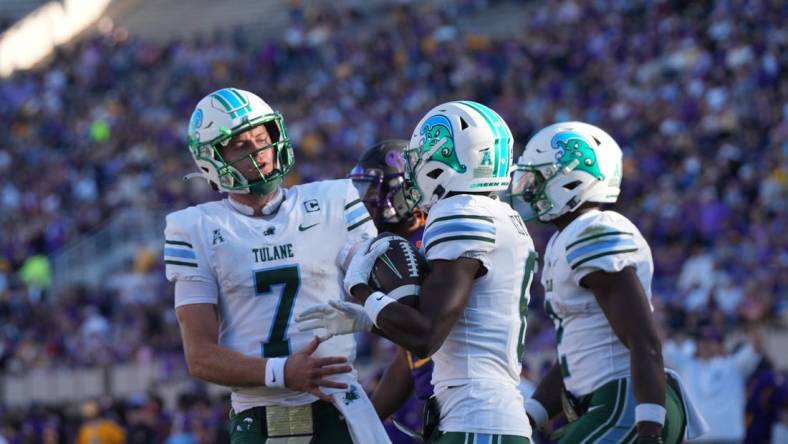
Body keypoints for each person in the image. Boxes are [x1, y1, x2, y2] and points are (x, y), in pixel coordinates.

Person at [298, 101, 537, 443]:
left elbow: (425, 337)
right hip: (482, 414)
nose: (415, 166)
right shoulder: (499, 214)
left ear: (448, 158)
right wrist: (370, 318)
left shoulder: (457, 215)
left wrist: (361, 292)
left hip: (475, 417)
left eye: (423, 153)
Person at [166, 87, 390, 443]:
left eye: (262, 137)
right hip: (259, 417)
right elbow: (200, 357)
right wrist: (281, 372)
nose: (259, 151)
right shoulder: (195, 228)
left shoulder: (334, 200)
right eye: (241, 145)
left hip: (341, 406)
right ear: (211, 159)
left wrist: (370, 314)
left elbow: (390, 293)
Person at [512, 121, 706, 443]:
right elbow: (577, 358)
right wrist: (530, 415)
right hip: (607, 403)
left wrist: (649, 430)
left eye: (539, 178)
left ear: (571, 179)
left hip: (627, 402)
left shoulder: (595, 231)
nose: (529, 190)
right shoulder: (567, 238)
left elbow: (644, 339)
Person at [347, 139, 433, 443]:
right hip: (434, 398)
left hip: (464, 396)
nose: (365, 201)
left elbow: (423, 335)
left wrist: (366, 303)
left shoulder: (434, 237)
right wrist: (364, 426)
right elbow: (406, 357)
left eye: (372, 190)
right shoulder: (392, 244)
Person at [663, 326, 763, 443]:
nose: (704, 345)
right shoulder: (687, 366)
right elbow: (662, 344)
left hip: (728, 437)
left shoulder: (734, 366)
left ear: (720, 344)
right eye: (701, 341)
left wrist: (753, 324)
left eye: (710, 341)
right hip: (696, 439)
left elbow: (756, 348)